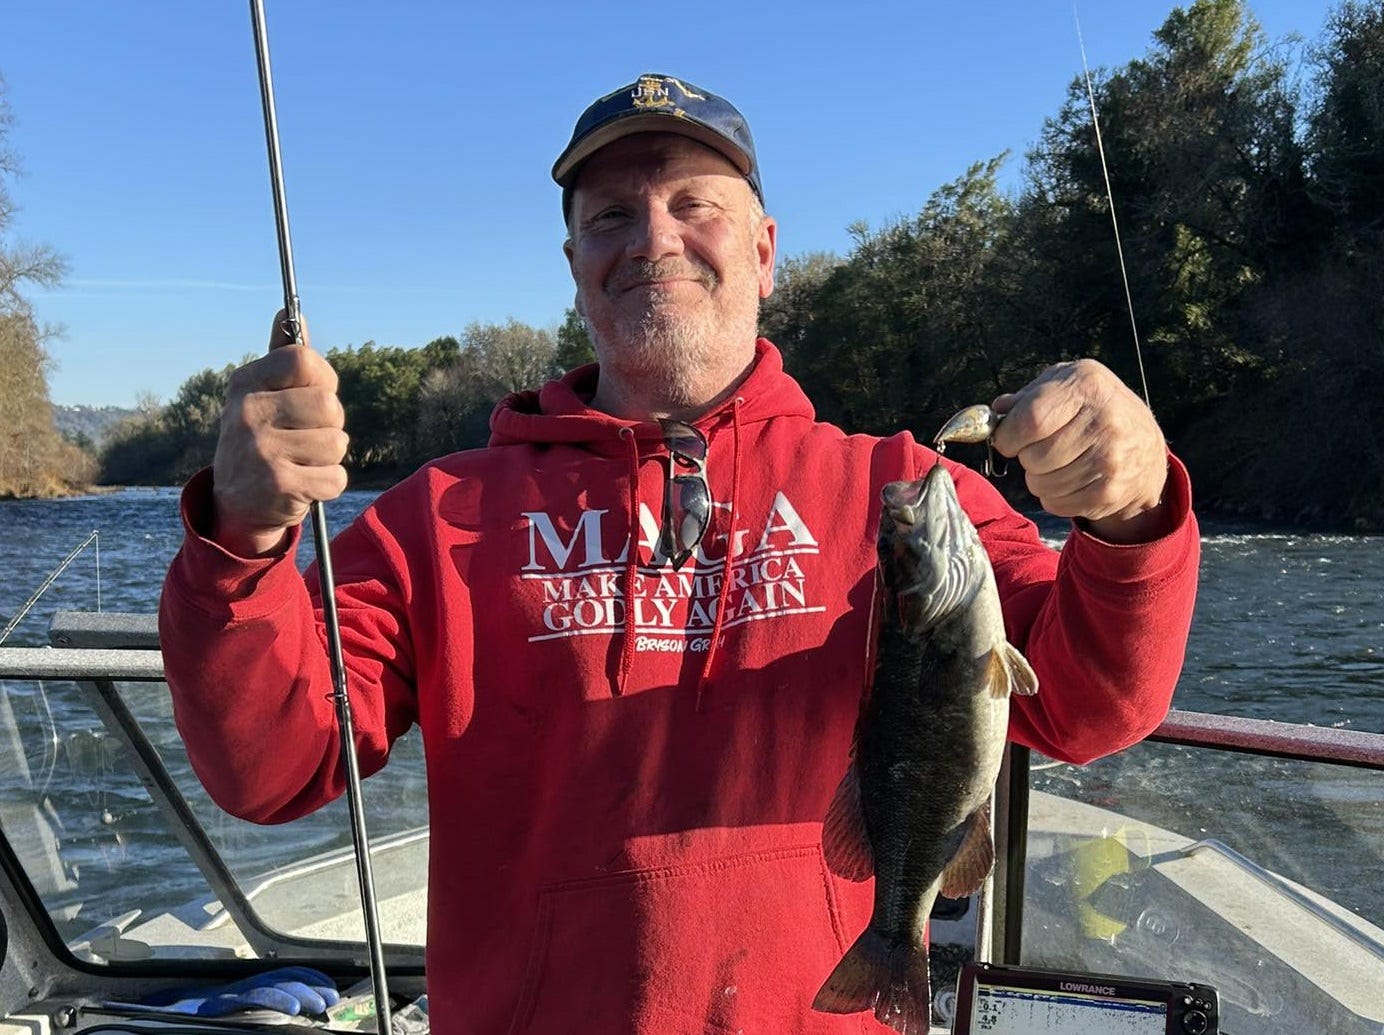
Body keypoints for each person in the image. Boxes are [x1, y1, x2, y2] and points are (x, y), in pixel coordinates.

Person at [159, 73, 1200, 1034]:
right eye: (610, 216)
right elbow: (274, 770)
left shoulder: (902, 487)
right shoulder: (439, 517)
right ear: (575, 267)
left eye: (693, 203)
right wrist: (243, 542)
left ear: (761, 249)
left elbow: (1090, 705)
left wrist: (1130, 512)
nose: (652, 238)